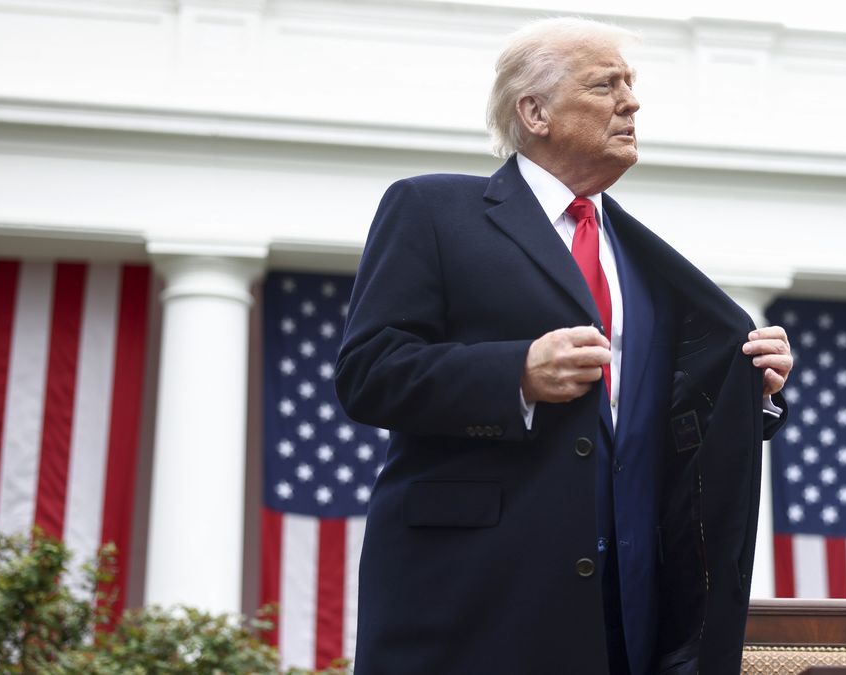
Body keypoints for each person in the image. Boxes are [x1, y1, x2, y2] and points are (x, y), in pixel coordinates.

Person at [336, 17, 793, 675]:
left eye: (631, 86)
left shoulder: (645, 260)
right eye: (607, 85)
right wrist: (516, 372)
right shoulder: (432, 210)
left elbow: (662, 419)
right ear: (535, 110)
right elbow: (368, 372)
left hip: (627, 613)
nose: (631, 103)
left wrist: (749, 390)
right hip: (473, 603)